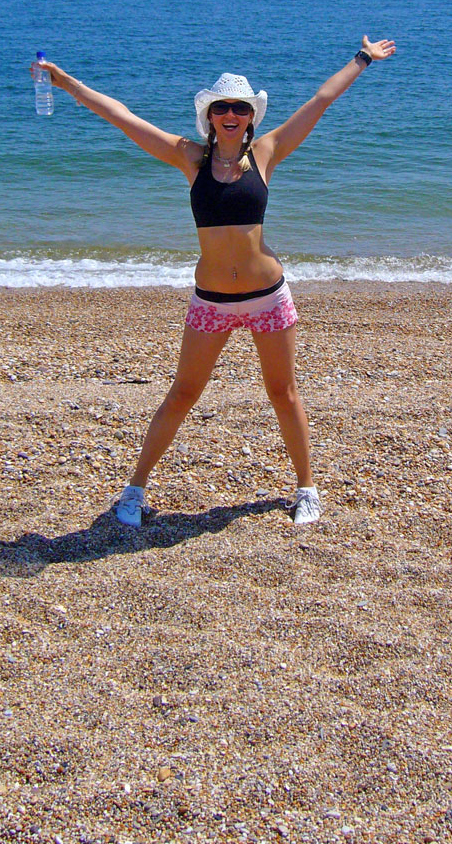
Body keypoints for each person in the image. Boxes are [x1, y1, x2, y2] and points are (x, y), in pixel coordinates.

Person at [33, 35, 396, 527]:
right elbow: (122, 117)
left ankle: (306, 488)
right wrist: (66, 81)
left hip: (268, 296)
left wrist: (362, 60)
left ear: (250, 116)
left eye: (240, 108)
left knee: (283, 392)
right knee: (183, 392)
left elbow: (320, 101)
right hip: (213, 302)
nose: (231, 114)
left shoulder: (266, 153)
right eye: (222, 107)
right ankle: (134, 490)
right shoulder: (190, 158)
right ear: (209, 116)